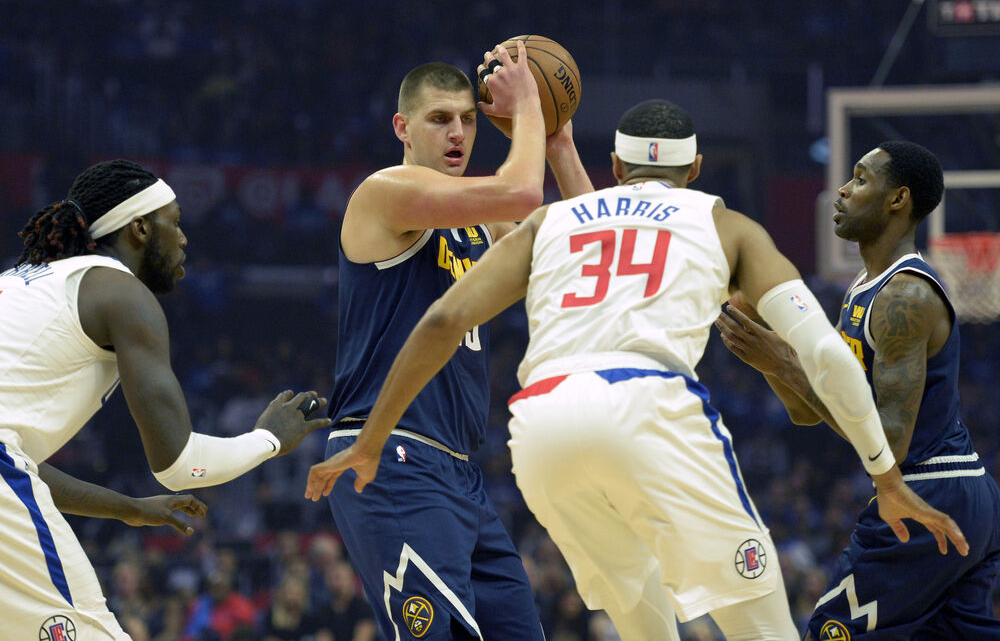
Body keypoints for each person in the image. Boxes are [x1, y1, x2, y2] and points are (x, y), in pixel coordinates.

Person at [306, 101, 969, 641]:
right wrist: (885, 476)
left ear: (616, 164)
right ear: (698, 168)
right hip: (648, 406)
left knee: (642, 621)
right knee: (763, 626)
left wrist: (367, 442)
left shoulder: (549, 221)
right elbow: (823, 355)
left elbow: (441, 324)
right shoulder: (724, 222)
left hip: (540, 426)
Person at [320, 40, 593, 640]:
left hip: (459, 473)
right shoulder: (385, 191)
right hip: (389, 455)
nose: (458, 133)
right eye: (440, 119)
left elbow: (592, 252)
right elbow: (522, 193)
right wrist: (526, 104)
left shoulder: (480, 221)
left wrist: (559, 144)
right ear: (403, 127)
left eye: (468, 120)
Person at [0, 159, 331, 639]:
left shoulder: (23, 282)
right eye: (173, 222)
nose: (183, 239)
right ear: (138, 228)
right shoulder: (122, 293)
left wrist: (128, 509)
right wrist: (268, 440)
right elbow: (180, 465)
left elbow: (21, 467)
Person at [715, 140, 1000, 639]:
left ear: (898, 200)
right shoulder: (864, 289)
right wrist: (770, 359)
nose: (842, 190)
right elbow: (809, 413)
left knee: (829, 631)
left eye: (861, 179)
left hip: (927, 488)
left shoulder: (903, 295)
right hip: (954, 492)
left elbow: (887, 442)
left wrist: (787, 360)